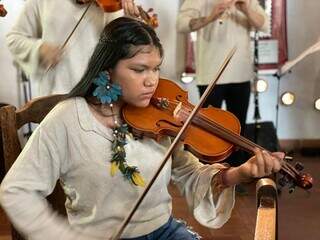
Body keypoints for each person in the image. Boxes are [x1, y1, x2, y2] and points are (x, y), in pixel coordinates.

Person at [0, 17, 283, 240]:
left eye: (156, 68)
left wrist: (238, 173)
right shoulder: (67, 119)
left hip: (165, 231)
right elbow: (16, 190)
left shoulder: (159, 119)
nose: (152, 80)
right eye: (139, 69)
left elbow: (188, 172)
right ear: (107, 70)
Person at [177, 0, 269, 168]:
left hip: (241, 74)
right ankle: (210, 172)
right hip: (210, 75)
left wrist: (247, 9)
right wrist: (210, 17)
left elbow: (265, 25)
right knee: (208, 129)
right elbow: (181, 25)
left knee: (238, 128)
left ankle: (237, 171)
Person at [6, 0, 140, 97]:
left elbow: (123, 50)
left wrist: (129, 17)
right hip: (53, 94)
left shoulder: (110, 5)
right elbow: (14, 38)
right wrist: (39, 49)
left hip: (95, 95)